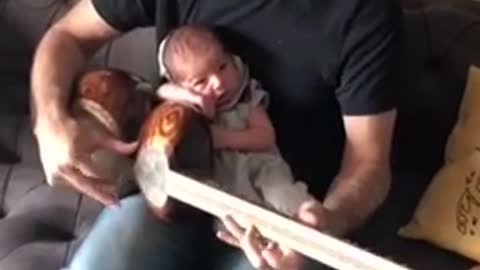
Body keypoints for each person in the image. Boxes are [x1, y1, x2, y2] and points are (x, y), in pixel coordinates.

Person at [30, 0, 404, 269]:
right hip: (173, 199)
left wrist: (323, 225)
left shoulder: (366, 13)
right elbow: (68, 36)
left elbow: (368, 165)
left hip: (281, 221)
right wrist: (49, 122)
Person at [155, 24, 321, 222]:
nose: (217, 82)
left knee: (281, 193)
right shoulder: (188, 110)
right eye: (201, 82)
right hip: (222, 187)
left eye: (222, 67)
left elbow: (265, 137)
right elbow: (160, 94)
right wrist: (190, 97)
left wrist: (222, 137)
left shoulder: (246, 98)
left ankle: (307, 213)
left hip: (259, 168)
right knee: (228, 217)